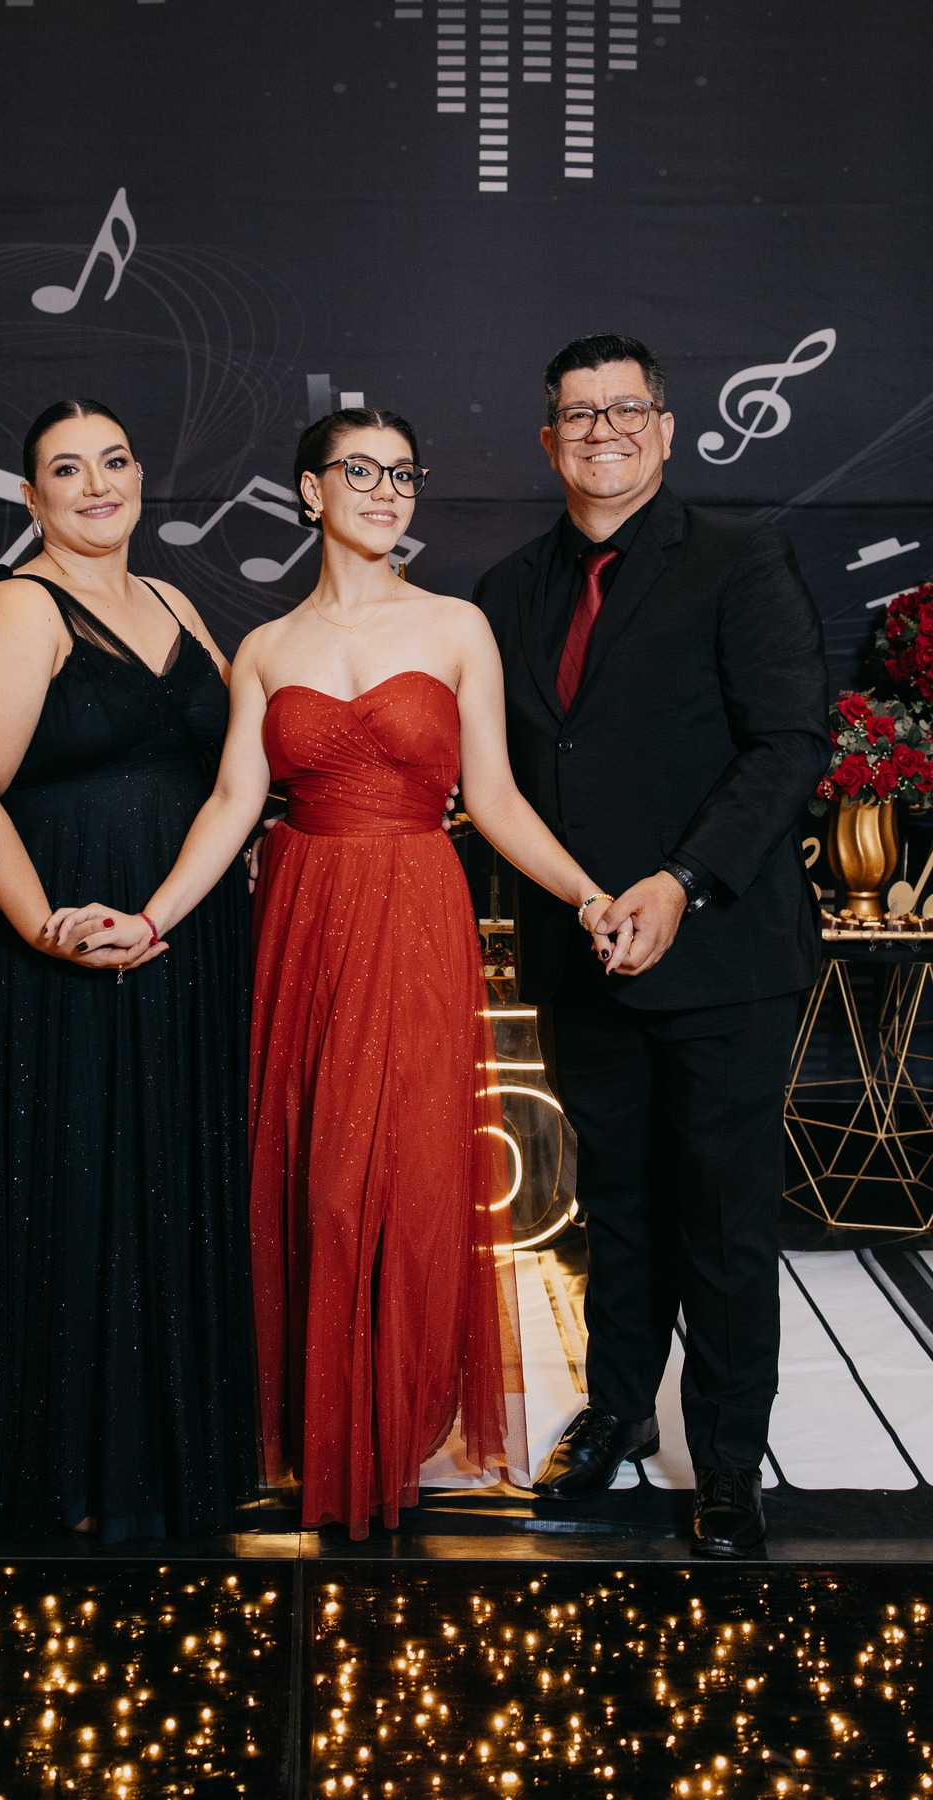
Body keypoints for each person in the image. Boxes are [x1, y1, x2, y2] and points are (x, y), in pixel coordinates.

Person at [47, 407, 632, 1540]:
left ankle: (396, 1427)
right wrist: (152, 916)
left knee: (409, 1173)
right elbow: (234, 802)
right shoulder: (266, 647)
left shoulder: (457, 626)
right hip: (304, 910)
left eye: (403, 475)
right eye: (360, 471)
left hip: (416, 905)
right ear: (311, 492)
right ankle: (321, 1426)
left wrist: (589, 895)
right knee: (314, 1176)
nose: (385, 492)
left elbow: (494, 800)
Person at [472, 334, 829, 1557]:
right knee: (615, 1207)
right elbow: (513, 773)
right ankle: (618, 1409)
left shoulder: (740, 558)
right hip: (584, 954)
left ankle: (726, 1461)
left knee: (722, 1218)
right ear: (548, 441)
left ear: (668, 430)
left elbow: (788, 741)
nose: (604, 431)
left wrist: (682, 881)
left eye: (626, 410)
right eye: (579, 414)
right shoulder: (506, 590)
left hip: (722, 953)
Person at [0, 399, 257, 1543]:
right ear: (32, 496)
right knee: (76, 1179)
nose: (99, 485)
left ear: (141, 475)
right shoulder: (19, 605)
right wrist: (47, 924)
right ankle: (63, 1461)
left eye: (116, 460)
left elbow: (234, 774)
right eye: (68, 469)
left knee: (164, 1173)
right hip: (66, 942)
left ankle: (157, 1450)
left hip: (178, 937)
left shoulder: (177, 603)